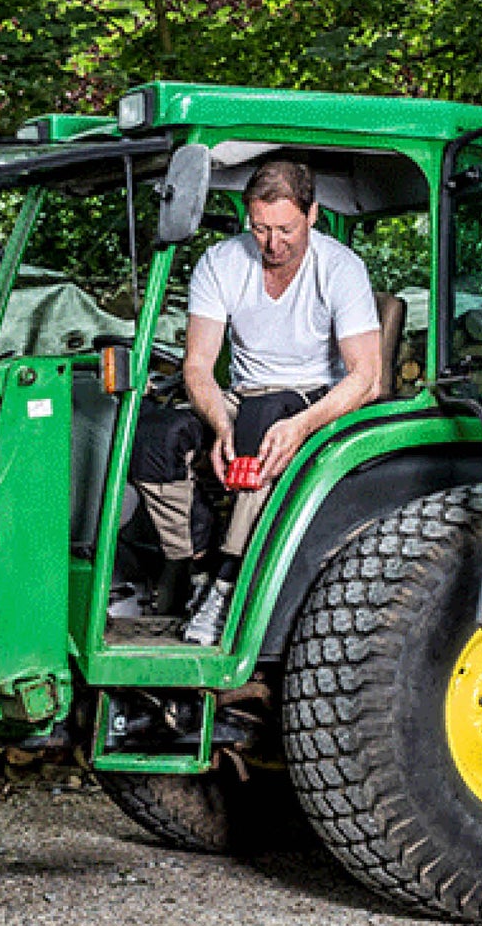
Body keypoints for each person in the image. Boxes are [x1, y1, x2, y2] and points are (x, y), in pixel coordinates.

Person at [135, 158, 381, 644]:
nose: (272, 244)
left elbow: (367, 378)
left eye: (286, 229)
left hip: (310, 400)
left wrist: (302, 426)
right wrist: (220, 425)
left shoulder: (340, 269)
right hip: (241, 398)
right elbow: (197, 367)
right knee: (152, 439)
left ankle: (229, 590)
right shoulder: (221, 263)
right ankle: (199, 567)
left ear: (312, 215)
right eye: (261, 228)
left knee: (263, 424)